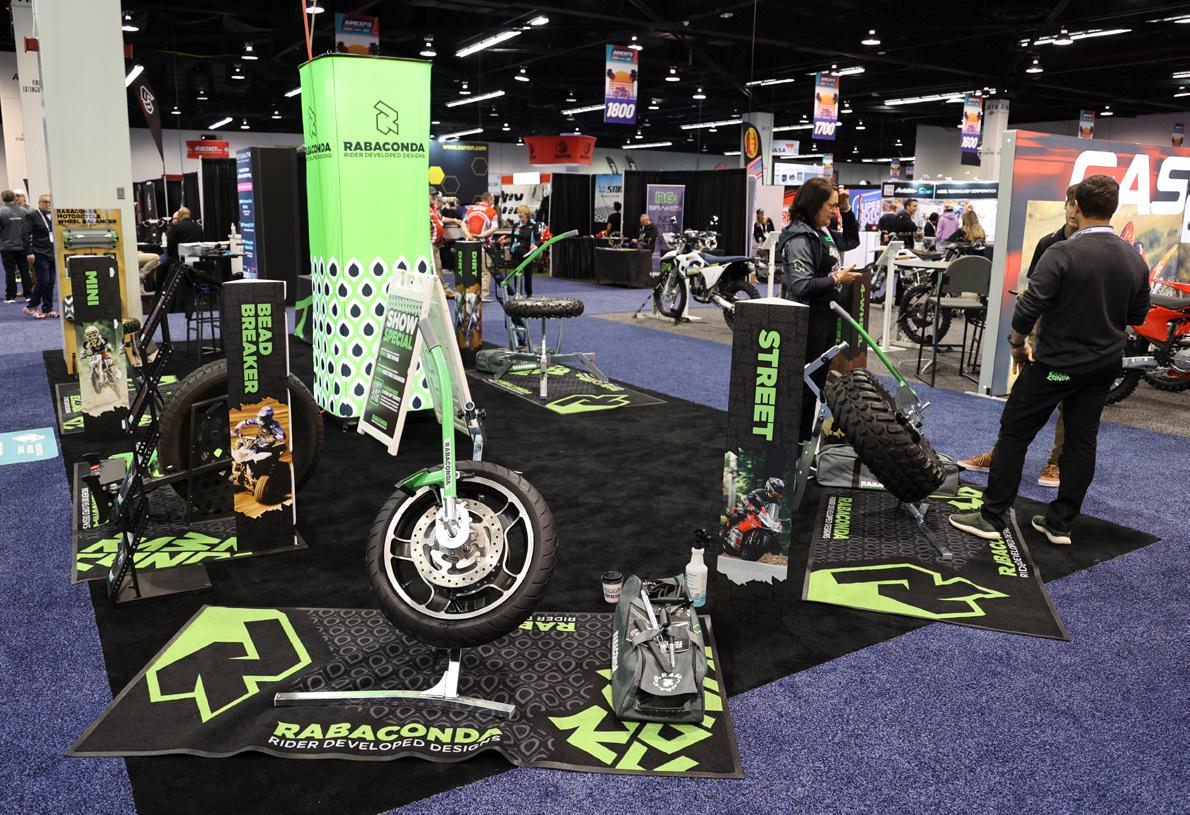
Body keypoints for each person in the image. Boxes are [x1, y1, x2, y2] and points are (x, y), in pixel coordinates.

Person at [949, 175, 1149, 546]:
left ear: (1077, 206)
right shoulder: (1133, 258)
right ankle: (1060, 524)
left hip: (1057, 368)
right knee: (1081, 441)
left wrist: (1016, 344)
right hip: (1102, 369)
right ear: (1113, 209)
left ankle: (991, 517)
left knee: (1015, 432)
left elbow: (1028, 307)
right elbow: (1137, 316)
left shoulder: (1063, 252)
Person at [959, 184, 1080, 487]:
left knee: (1070, 402)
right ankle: (1000, 455)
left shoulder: (1094, 248)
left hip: (1077, 339)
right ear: (1066, 206)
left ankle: (1057, 463)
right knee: (1023, 397)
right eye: (1071, 204)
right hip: (1044, 332)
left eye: (1080, 206)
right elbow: (1036, 289)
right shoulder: (1048, 242)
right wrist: (1023, 336)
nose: (1074, 211)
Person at [780, 177, 862, 440]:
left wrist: (846, 209)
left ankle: (802, 442)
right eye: (831, 206)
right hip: (808, 320)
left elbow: (851, 240)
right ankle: (793, 444)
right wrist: (837, 279)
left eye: (836, 206)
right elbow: (801, 285)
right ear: (815, 205)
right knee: (805, 385)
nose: (834, 211)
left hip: (824, 316)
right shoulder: (799, 237)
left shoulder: (821, 231)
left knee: (815, 383)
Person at [22, 193, 58, 318]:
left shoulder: (53, 216)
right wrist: (29, 252)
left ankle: (47, 308)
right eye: (45, 202)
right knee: (44, 281)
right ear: (39, 203)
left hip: (52, 253)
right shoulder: (32, 215)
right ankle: (30, 306)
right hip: (39, 253)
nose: (47, 204)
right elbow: (25, 234)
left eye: (49, 202)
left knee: (51, 282)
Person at [464, 192, 500, 301]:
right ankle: (484, 295)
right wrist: (482, 235)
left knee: (472, 270)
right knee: (485, 271)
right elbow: (495, 227)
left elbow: (463, 223)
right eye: (493, 200)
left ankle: (471, 293)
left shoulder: (471, 210)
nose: (493, 202)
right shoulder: (491, 211)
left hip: (470, 244)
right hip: (484, 245)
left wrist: (468, 235)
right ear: (489, 199)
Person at [0, 189, 32, 303]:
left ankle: (11, 297)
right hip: (23, 246)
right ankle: (28, 295)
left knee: (10, 271)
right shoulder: (24, 211)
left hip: (7, 247)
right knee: (25, 270)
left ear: (2, 198)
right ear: (14, 198)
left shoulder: (1, 212)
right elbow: (29, 229)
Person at [506, 204, 541, 296]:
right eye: (519, 213)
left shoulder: (534, 225)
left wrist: (535, 245)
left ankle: (529, 294)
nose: (520, 214)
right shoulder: (516, 225)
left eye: (522, 213)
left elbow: (538, 239)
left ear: (527, 214)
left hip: (528, 254)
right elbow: (512, 239)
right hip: (516, 253)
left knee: (528, 275)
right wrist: (510, 251)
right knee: (517, 274)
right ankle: (518, 294)